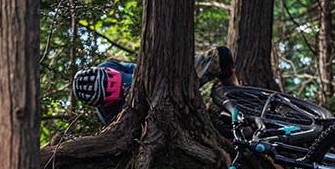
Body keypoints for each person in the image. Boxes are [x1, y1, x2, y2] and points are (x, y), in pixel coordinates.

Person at [72, 46, 237, 126]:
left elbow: (140, 67)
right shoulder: (109, 117)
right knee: (221, 125)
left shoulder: (108, 66)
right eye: (119, 94)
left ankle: (236, 93)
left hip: (166, 79)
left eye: (121, 83)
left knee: (221, 55)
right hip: (165, 113)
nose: (123, 89)